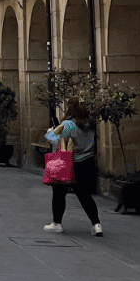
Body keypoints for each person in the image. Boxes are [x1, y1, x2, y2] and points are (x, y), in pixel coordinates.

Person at [45, 96, 103, 235]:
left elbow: (58, 141)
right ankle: (96, 224)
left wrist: (49, 132)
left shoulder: (68, 124)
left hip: (69, 163)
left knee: (59, 193)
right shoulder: (90, 123)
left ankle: (57, 223)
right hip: (87, 162)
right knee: (85, 195)